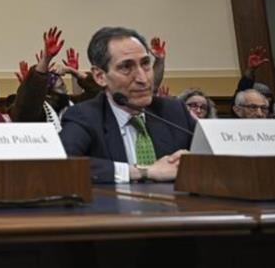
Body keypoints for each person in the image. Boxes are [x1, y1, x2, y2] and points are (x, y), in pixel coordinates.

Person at [59, 27, 195, 184]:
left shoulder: (174, 112)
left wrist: (196, 162)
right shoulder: (85, 116)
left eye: (145, 64)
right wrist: (144, 172)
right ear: (100, 76)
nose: (142, 79)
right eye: (126, 67)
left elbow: (217, 157)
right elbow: (62, 163)